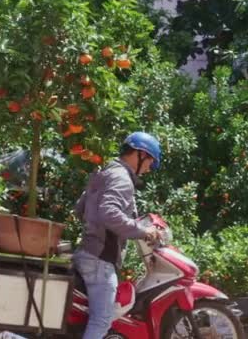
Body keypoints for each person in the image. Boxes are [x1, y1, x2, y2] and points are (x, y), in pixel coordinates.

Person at [72, 131, 162, 339]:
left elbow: (80, 208)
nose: (149, 169)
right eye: (150, 162)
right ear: (140, 154)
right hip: (100, 259)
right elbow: (110, 213)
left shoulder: (105, 171)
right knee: (102, 319)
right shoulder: (122, 178)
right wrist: (142, 230)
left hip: (87, 251)